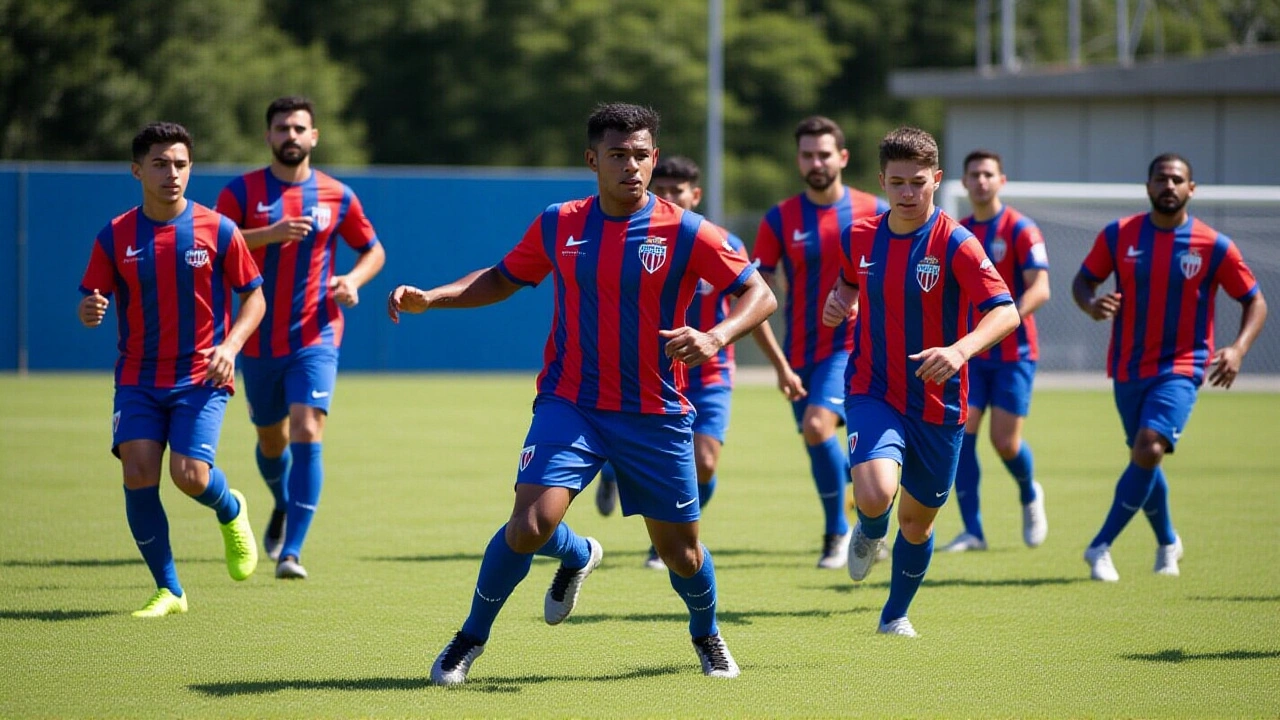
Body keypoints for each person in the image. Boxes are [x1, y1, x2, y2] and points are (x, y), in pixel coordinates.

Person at [387, 103, 776, 684]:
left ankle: (706, 633)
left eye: (642, 154)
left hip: (654, 412)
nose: (633, 166)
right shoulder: (559, 222)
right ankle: (468, 640)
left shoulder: (687, 229)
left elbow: (759, 293)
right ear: (592, 160)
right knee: (529, 524)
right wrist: (433, 297)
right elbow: (501, 277)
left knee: (682, 554)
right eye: (618, 155)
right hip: (571, 402)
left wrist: (716, 334)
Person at [821, 127, 1019, 637]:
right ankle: (868, 530)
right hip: (873, 387)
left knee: (919, 523)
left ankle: (895, 614)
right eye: (897, 183)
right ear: (882, 181)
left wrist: (959, 349)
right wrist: (841, 300)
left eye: (918, 183)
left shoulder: (956, 242)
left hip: (939, 403)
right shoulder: (860, 236)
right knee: (874, 492)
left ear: (936, 179)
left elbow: (1005, 313)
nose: (908, 194)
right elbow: (847, 280)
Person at [77, 122, 266, 617]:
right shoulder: (115, 235)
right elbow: (90, 298)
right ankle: (170, 590)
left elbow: (255, 298)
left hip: (203, 375)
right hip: (138, 378)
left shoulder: (218, 229)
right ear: (137, 170)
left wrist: (231, 345)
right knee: (139, 472)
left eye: (180, 164)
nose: (172, 173)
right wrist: (89, 311)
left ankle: (231, 508)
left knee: (189, 475)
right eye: (160, 164)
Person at [1072, 152, 1266, 582]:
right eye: (1161, 179)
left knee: (1149, 447)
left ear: (1191, 189)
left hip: (1183, 365)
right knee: (1145, 457)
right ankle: (1167, 541)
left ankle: (1100, 546)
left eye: (1178, 180)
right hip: (1127, 365)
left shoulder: (1213, 245)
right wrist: (1091, 305)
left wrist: (1236, 349)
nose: (1169, 186)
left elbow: (1255, 300)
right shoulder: (1119, 235)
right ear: (1148, 186)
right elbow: (1083, 281)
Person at [216, 96, 386, 580]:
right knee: (271, 441)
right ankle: (282, 501)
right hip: (256, 337)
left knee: (308, 429)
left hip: (316, 332)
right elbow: (212, 242)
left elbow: (373, 252)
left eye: (299, 128)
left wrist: (352, 280)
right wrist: (269, 233)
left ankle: (291, 552)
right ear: (268, 136)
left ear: (314, 137)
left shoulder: (337, 194)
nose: (290, 136)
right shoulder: (241, 192)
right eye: (281, 128)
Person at [593, 154, 749, 570]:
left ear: (694, 195)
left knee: (705, 462)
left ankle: (667, 538)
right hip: (652, 374)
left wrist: (781, 366)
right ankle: (611, 471)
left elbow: (752, 301)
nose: (667, 197)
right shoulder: (637, 238)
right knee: (635, 450)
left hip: (710, 373)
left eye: (676, 191)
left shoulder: (722, 242)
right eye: (660, 190)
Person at [751, 116, 890, 569]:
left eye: (824, 154)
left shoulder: (874, 211)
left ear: (842, 158)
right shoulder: (780, 219)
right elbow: (756, 294)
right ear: (799, 160)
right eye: (808, 154)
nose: (816, 162)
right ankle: (869, 510)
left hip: (854, 346)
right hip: (801, 352)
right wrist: (778, 364)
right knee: (819, 441)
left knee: (817, 427)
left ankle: (838, 533)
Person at [943, 150, 1051, 552]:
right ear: (965, 182)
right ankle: (973, 531)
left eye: (989, 174)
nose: (982, 181)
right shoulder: (957, 231)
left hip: (1013, 355)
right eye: (974, 174)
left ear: (1001, 180)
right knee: (962, 433)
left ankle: (1028, 492)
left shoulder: (1021, 229)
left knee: (1004, 442)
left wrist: (1004, 321)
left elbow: (1040, 287)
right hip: (969, 353)